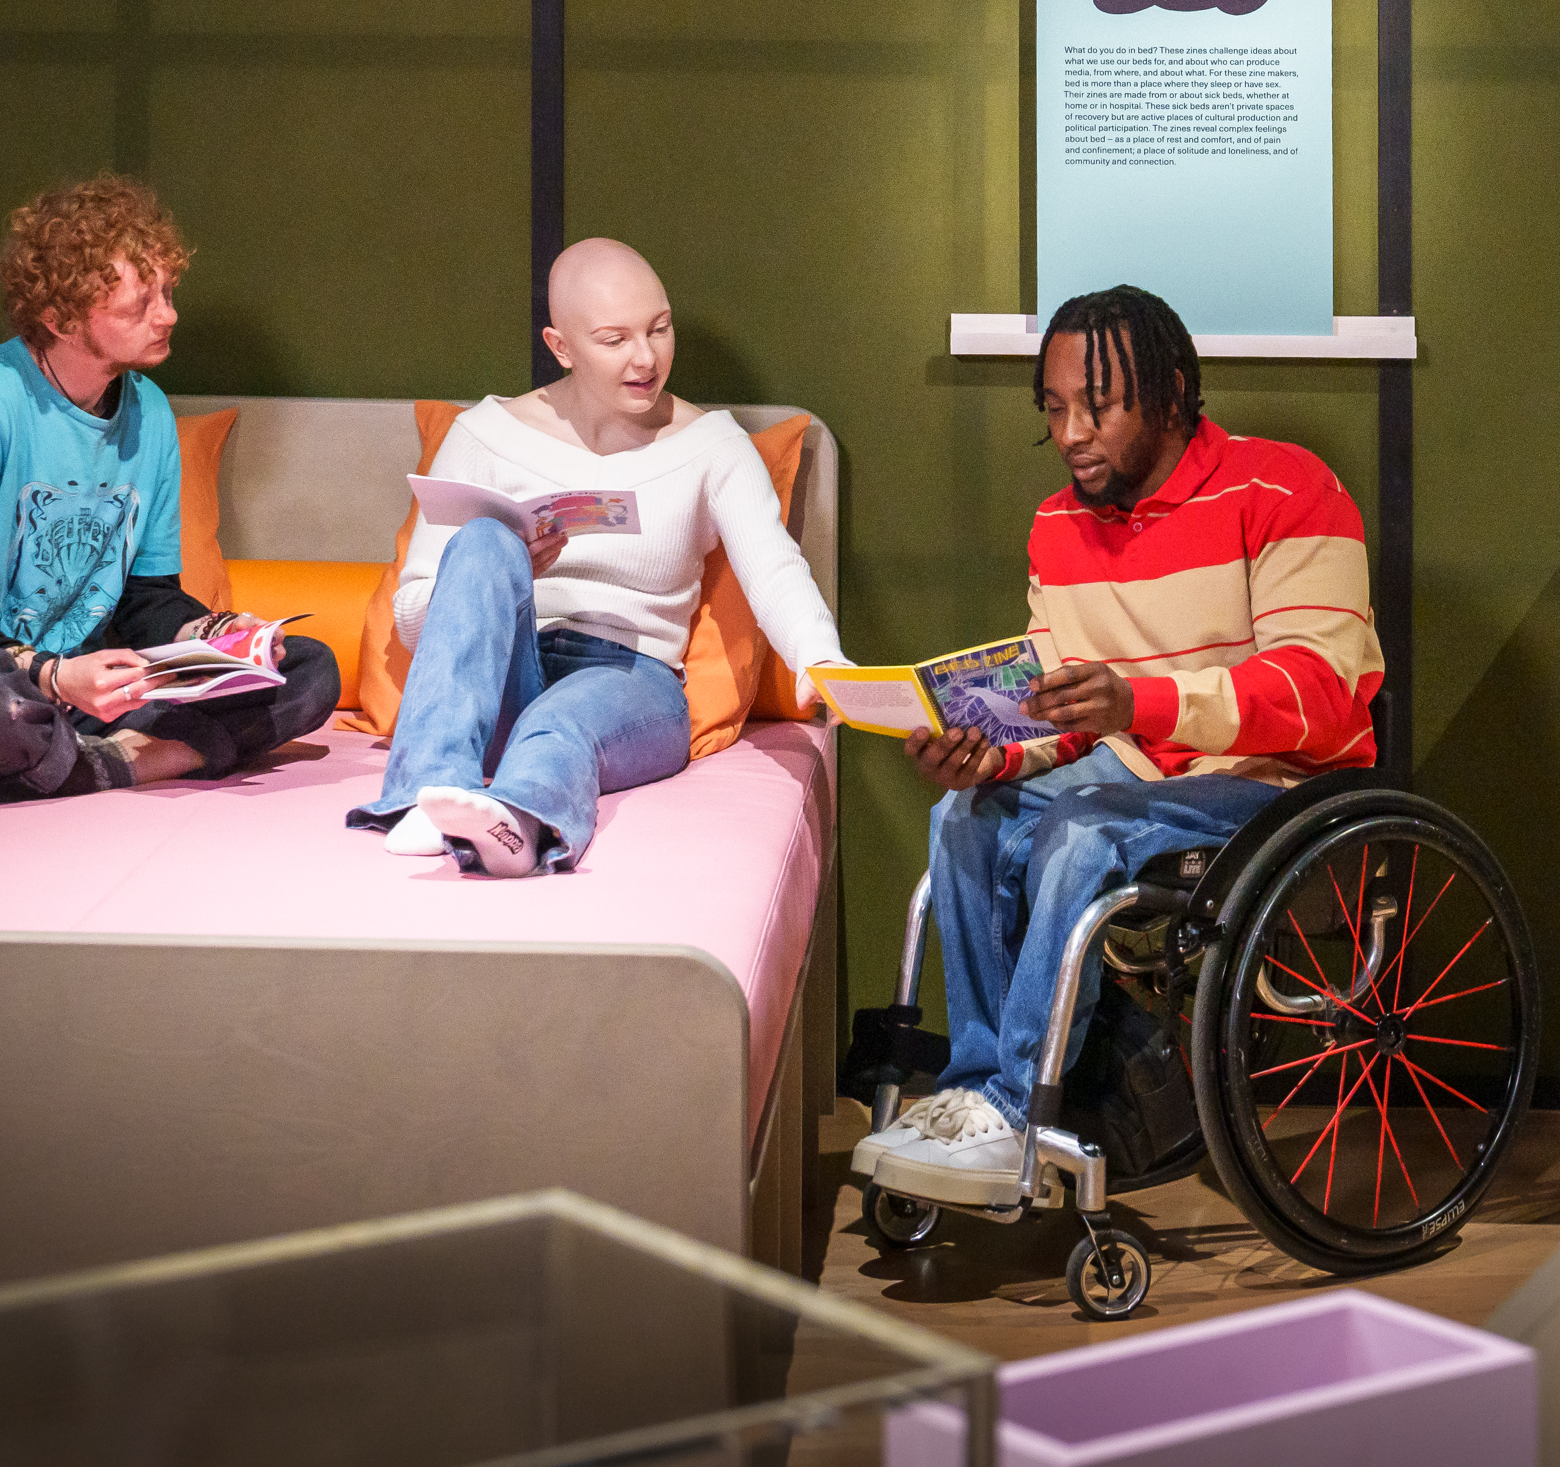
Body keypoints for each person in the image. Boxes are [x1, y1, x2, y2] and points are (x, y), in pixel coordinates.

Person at [850, 285, 1383, 1204]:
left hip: (1276, 786)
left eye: (1097, 405)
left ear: (1172, 395)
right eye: (1055, 409)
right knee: (963, 814)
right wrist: (994, 755)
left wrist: (1142, 700)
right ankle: (978, 1095)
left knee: (1083, 832)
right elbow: (1066, 719)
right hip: (1129, 774)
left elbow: (1321, 694)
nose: (1071, 433)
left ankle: (1020, 1109)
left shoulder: (1288, 487)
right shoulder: (1058, 526)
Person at [0, 177, 339, 802]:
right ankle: (126, 760)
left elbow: (147, 600)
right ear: (59, 318)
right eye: (139, 304)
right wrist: (55, 677)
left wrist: (218, 636)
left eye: (168, 292)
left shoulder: (150, 414)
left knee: (306, 669)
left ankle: (72, 768)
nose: (168, 315)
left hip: (77, 691)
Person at [353, 238, 848, 876]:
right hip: (511, 665)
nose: (647, 357)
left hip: (633, 682)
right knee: (482, 542)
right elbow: (413, 620)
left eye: (660, 329)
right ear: (561, 347)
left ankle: (520, 825)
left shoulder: (712, 445)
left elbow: (773, 567)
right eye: (615, 340)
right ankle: (424, 793)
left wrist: (819, 658)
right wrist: (509, 576)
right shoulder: (483, 435)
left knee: (562, 720)